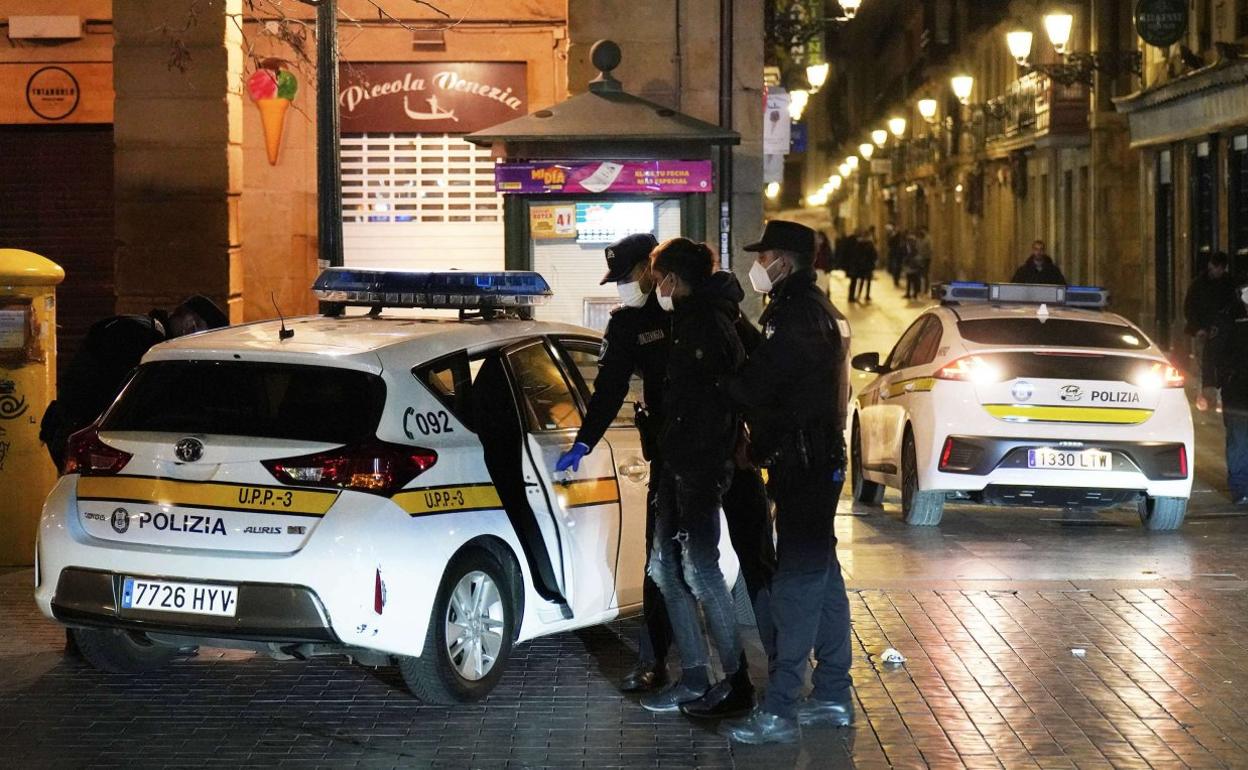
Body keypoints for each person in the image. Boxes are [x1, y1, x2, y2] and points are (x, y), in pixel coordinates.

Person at [555, 234, 776, 696]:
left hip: (727, 447)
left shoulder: (710, 309)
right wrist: (584, 440)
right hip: (674, 454)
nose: (625, 287)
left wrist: (758, 441)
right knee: (662, 566)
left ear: (652, 270)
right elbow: (610, 387)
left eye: (628, 277)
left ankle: (778, 664)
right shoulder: (629, 326)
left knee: (753, 557)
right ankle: (657, 661)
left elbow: (755, 371)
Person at [720, 220, 854, 745]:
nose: (761, 264)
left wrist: (720, 383)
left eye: (768, 254)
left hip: (804, 464)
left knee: (797, 586)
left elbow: (761, 385)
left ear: (787, 260)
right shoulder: (823, 311)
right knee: (823, 577)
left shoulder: (794, 316)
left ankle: (779, 709)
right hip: (818, 460)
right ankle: (833, 695)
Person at [637, 238, 754, 720]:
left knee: (700, 570)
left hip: (698, 467)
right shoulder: (692, 318)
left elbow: (722, 395)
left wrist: (697, 449)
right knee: (666, 568)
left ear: (672, 279)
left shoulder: (707, 321)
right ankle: (695, 677)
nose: (655, 287)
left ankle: (735, 683)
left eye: (657, 277)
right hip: (680, 461)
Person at [39, 295, 229, 471]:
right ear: (192, 325)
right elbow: (134, 397)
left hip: (77, 430)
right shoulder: (143, 338)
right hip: (85, 434)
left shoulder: (138, 330)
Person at [1199, 271, 1248, 506]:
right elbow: (1211, 354)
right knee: (1239, 439)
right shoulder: (1228, 316)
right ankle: (1241, 489)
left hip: (1236, 385)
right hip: (1237, 387)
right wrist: (1208, 385)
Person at [1184, 251, 1236, 387]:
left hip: (1222, 329)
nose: (1215, 272)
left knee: (1221, 361)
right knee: (1206, 361)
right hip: (1203, 329)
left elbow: (1232, 305)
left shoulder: (1228, 283)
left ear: (1222, 268)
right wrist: (1198, 329)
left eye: (1218, 269)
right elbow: (1189, 307)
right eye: (1213, 268)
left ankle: (1221, 388)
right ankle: (1208, 391)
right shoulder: (1198, 284)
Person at [886, 224, 906, 289]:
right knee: (896, 268)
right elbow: (889, 243)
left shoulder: (899, 237)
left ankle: (896, 280)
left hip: (898, 254)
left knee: (898, 268)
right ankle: (896, 280)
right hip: (896, 254)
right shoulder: (894, 236)